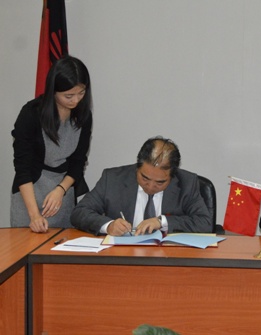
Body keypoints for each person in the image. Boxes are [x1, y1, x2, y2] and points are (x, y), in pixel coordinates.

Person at [11, 55, 93, 233]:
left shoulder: (83, 116)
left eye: (81, 93)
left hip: (62, 192)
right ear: (53, 91)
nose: (76, 100)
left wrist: (60, 190)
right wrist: (34, 215)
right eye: (68, 95)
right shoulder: (31, 113)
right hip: (29, 193)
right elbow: (22, 168)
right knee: (26, 248)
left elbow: (78, 162)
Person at [71, 136, 212, 236]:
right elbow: (79, 212)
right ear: (137, 167)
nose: (150, 186)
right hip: (123, 258)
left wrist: (161, 222)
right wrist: (108, 226)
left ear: (172, 176)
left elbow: (204, 223)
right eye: (144, 178)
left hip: (168, 261)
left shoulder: (187, 183)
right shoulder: (113, 179)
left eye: (160, 182)